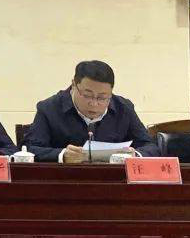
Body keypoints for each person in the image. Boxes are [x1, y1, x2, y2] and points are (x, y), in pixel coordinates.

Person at [25, 60, 157, 163]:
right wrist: (62, 155)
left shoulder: (124, 108)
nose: (94, 103)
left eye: (102, 97)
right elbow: (29, 149)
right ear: (74, 85)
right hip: (64, 181)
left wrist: (135, 155)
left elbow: (150, 146)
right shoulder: (49, 108)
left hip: (114, 181)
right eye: (87, 95)